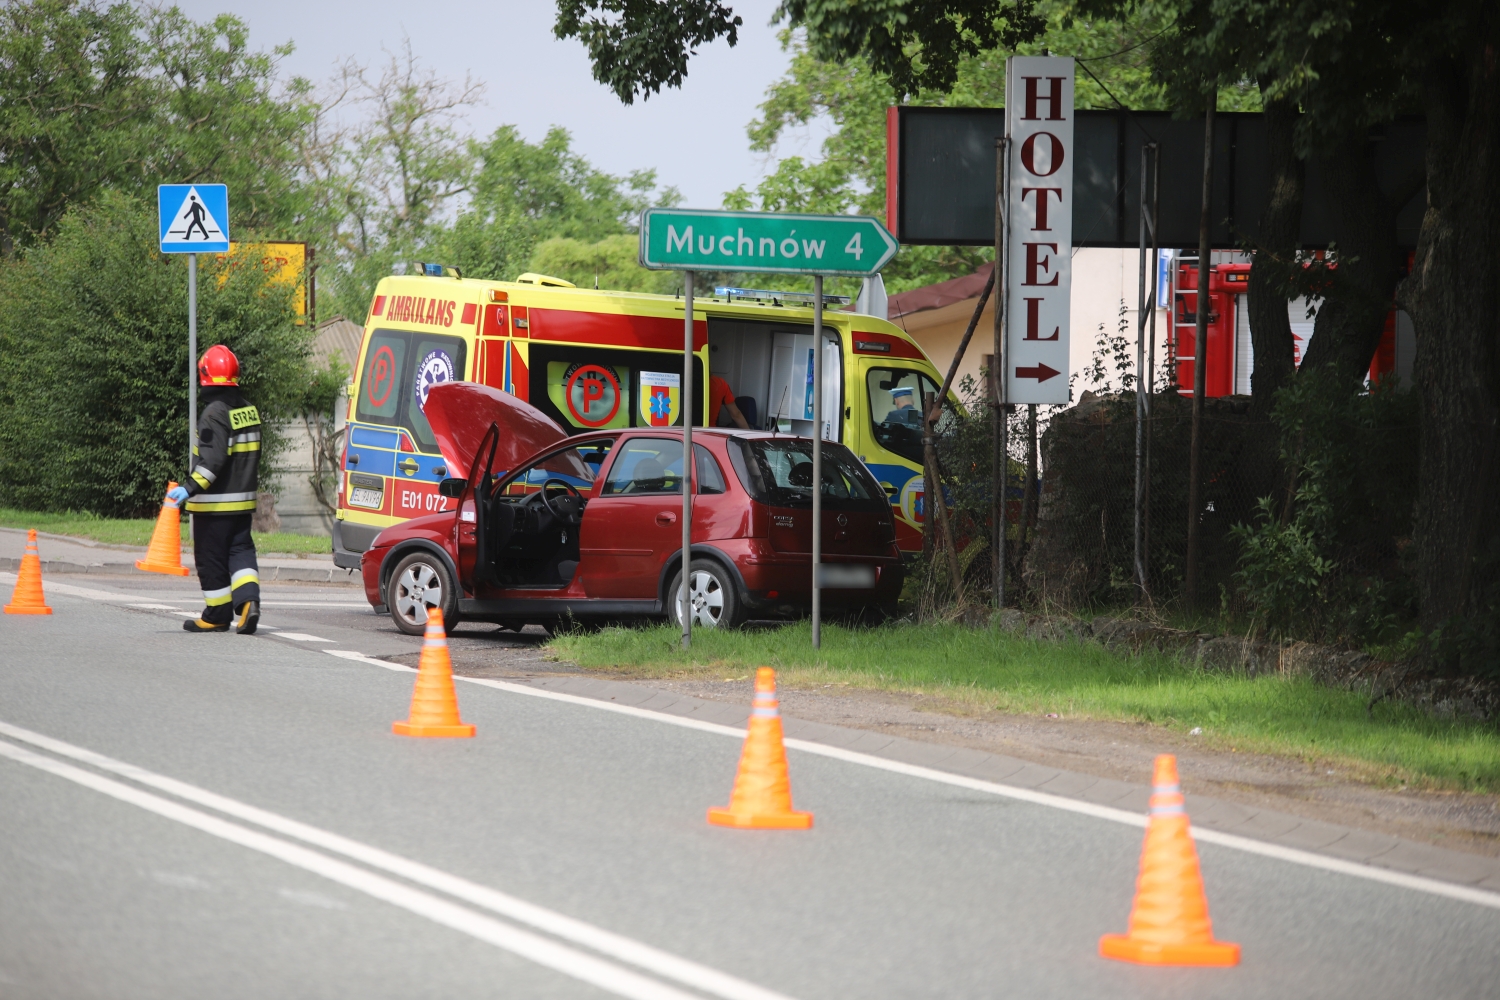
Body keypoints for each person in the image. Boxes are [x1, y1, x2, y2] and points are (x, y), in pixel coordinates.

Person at [167, 345, 262, 634]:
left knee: (210, 559)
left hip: (214, 506)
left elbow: (213, 460)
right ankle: (248, 603)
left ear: (205, 375)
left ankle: (217, 615)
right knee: (241, 552)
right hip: (242, 504)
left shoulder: (213, 413)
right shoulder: (247, 409)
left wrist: (189, 488)